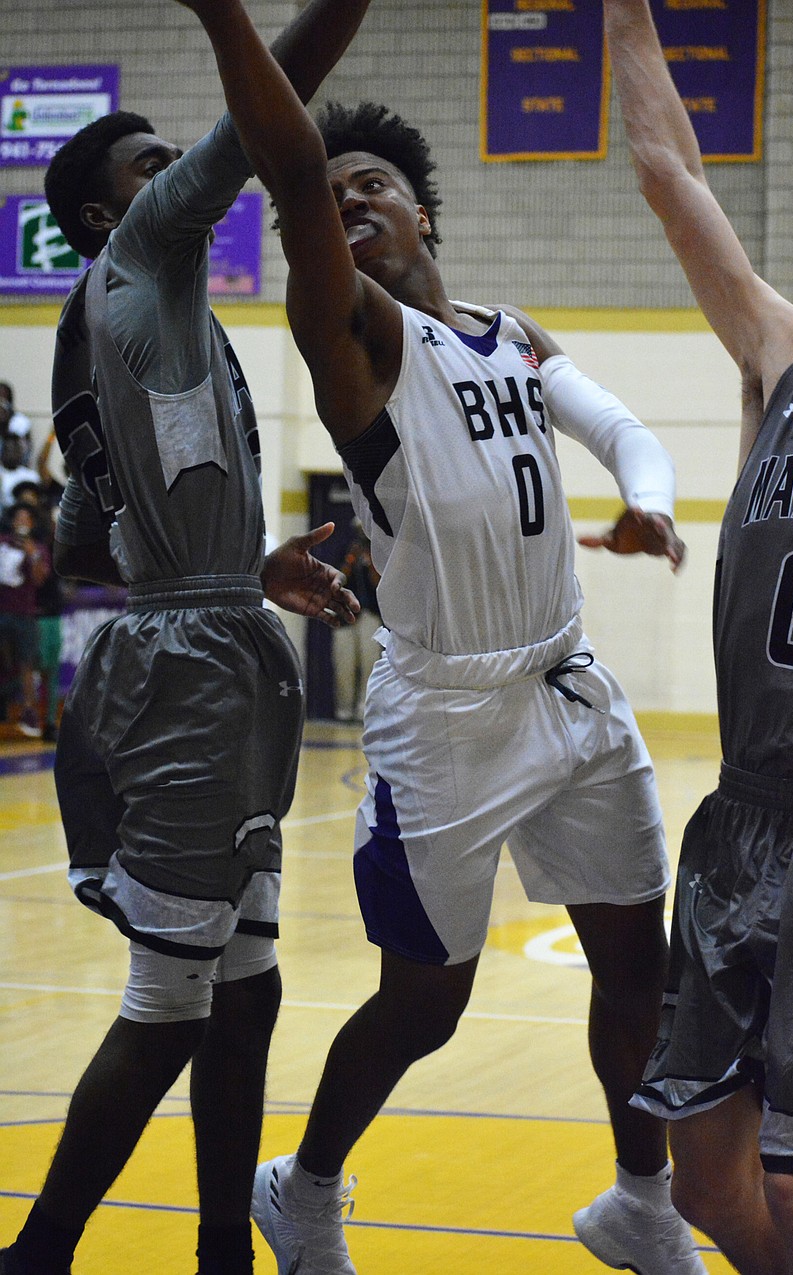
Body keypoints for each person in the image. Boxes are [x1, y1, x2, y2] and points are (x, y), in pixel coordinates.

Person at [175, 5, 710, 1274]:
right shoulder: (356, 341)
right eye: (336, 188)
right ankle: (302, 1188)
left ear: (430, 221)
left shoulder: (510, 333)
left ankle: (641, 1201)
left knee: (644, 968)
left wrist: (646, 501)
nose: (352, 196)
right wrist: (232, 25)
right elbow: (294, 171)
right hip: (447, 721)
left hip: (570, 692)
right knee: (427, 1004)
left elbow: (623, 424)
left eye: (381, 186)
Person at [0, 3, 372, 1273]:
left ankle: (222, 1246)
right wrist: (234, 19)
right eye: (147, 163)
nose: (175, 173)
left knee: (250, 981)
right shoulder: (145, 255)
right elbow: (274, 107)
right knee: (170, 1000)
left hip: (213, 630)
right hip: (189, 669)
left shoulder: (112, 326)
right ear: (109, 212)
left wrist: (233, 562)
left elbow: (105, 536)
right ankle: (38, 1251)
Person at [600, 3, 793, 1273]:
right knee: (706, 1183)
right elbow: (669, 175)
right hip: (740, 818)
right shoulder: (782, 363)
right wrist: (628, 17)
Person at [0, 500, 49, 738]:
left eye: (25, 518)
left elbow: (41, 581)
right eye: (17, 518)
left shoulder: (37, 548)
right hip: (2, 611)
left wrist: (33, 555)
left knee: (26, 664)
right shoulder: (2, 544)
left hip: (24, 614)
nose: (21, 522)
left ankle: (29, 713)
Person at [333, 519, 381, 721]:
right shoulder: (347, 550)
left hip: (369, 613)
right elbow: (338, 578)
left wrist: (370, 562)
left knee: (369, 663)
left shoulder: (379, 553)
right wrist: (351, 560)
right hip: (346, 616)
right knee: (344, 663)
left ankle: (364, 709)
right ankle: (344, 710)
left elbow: (379, 583)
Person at [0, 382, 33, 463]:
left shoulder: (21, 421)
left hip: (16, 465)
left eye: (4, 397)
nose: (2, 401)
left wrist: (6, 419)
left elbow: (26, 447)